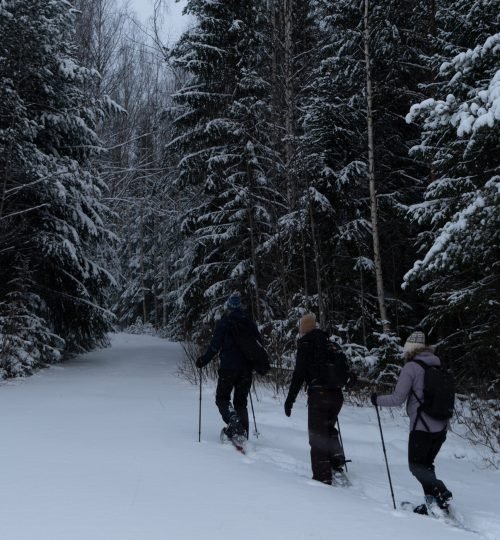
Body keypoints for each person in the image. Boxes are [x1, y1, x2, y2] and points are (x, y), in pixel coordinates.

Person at [371, 329, 453, 513]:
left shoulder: (411, 368)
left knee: (416, 467)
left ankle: (441, 492)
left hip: (421, 428)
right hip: (441, 428)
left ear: (409, 350)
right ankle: (434, 504)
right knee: (426, 465)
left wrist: (376, 400)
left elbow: (397, 399)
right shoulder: (438, 365)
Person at [284, 313, 356, 485]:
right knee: (328, 428)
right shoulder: (331, 344)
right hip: (337, 395)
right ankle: (336, 459)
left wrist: (290, 399)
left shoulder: (306, 344)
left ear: (304, 329)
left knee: (317, 436)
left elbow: (299, 374)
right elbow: (347, 372)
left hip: (318, 395)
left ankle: (323, 478)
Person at [196, 292, 262, 439]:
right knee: (241, 401)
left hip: (228, 368)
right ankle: (242, 431)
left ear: (228, 307)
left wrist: (203, 360)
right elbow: (258, 345)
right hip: (246, 370)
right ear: (240, 307)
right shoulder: (249, 323)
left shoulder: (224, 323)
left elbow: (214, 346)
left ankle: (233, 420)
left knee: (222, 398)